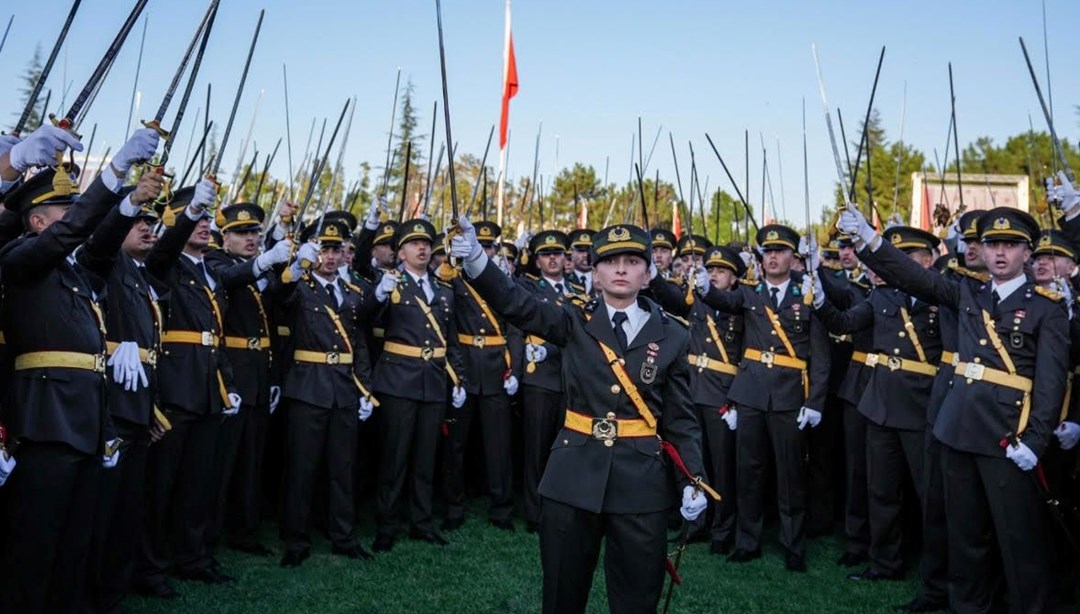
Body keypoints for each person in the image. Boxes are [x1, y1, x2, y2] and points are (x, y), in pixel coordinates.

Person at [451, 217, 711, 613]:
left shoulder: (672, 335)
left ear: (647, 274)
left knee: (637, 598)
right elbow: (515, 303)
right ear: (595, 273)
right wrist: (475, 260)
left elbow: (681, 419)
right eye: (610, 261)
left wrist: (695, 477)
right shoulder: (572, 320)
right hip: (572, 476)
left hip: (641, 481)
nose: (620, 268)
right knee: (562, 594)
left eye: (632, 260)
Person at [839, 204, 1069, 613]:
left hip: (1007, 435)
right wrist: (869, 240)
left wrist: (1034, 439)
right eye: (992, 244)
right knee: (964, 535)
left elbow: (1049, 383)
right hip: (958, 429)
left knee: (1018, 537)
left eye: (1011, 246)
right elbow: (913, 276)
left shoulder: (1047, 307)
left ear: (1027, 254)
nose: (1000, 253)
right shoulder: (967, 291)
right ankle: (968, 606)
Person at [0, 125, 157, 612]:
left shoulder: (73, 272)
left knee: (75, 544)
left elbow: (102, 243)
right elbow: (78, 229)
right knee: (36, 547)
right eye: (65, 214)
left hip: (86, 423)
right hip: (47, 421)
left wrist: (126, 201)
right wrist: (111, 175)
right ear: (39, 223)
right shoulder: (20, 258)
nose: (76, 222)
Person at [812, 226, 944, 586]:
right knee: (880, 490)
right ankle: (885, 562)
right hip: (881, 403)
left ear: (928, 261)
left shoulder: (941, 298)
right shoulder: (882, 297)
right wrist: (820, 301)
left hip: (923, 405)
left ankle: (937, 574)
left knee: (930, 494)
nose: (897, 266)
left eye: (908, 259)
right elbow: (844, 322)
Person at [695, 223, 830, 572]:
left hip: (788, 396)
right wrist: (704, 288)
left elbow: (820, 356)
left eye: (780, 251)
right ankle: (747, 541)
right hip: (751, 394)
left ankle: (793, 545)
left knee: (790, 476)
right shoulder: (750, 293)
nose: (773, 257)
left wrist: (815, 402)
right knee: (748, 473)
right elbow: (723, 299)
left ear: (792, 257)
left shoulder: (808, 294)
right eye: (767, 252)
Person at [136, 178, 242, 595]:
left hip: (207, 387)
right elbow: (163, 250)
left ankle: (193, 556)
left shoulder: (211, 270)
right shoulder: (162, 262)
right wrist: (190, 212)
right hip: (176, 389)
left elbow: (217, 335)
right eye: (190, 218)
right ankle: (151, 567)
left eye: (204, 219)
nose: (202, 226)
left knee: (199, 483)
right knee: (162, 486)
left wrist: (227, 383)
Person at [80, 168, 168, 612]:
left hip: (136, 406)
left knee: (126, 508)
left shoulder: (138, 274)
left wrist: (150, 409)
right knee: (103, 509)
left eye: (152, 223)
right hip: (109, 404)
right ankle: (95, 592)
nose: (148, 228)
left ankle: (114, 590)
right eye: (139, 222)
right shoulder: (107, 264)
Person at [278, 217, 378, 567]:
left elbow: (359, 344)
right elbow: (278, 295)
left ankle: (343, 536)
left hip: (343, 388)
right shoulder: (299, 286)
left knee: (342, 467)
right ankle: (296, 540)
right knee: (302, 469)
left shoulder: (353, 293)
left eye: (337, 249)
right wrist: (294, 264)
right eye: (325, 249)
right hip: (308, 385)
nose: (331, 257)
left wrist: (365, 388)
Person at [370, 219, 467, 552]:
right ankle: (387, 525)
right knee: (394, 459)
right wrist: (379, 294)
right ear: (400, 252)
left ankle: (421, 523)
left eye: (426, 243)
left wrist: (458, 377)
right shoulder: (390, 283)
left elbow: (450, 339)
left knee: (426, 459)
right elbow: (365, 319)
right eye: (414, 244)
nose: (423, 248)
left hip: (433, 381)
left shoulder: (443, 289)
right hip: (398, 380)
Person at [205, 202, 292, 557]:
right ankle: (209, 534)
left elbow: (277, 306)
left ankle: (245, 530)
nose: (251, 238)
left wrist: (293, 268)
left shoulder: (259, 270)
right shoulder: (216, 262)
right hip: (232, 372)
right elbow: (231, 278)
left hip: (258, 371)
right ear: (224, 238)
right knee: (222, 461)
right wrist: (265, 261)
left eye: (255, 232)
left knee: (251, 460)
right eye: (242, 233)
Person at [649, 244, 745, 555]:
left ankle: (723, 529)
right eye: (711, 269)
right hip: (694, 389)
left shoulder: (742, 306)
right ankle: (697, 523)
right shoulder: (697, 300)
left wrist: (737, 400)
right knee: (693, 464)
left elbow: (748, 357)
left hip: (722, 394)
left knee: (722, 467)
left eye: (722, 271)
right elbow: (672, 301)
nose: (714, 275)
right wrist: (653, 276)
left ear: (734, 278)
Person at [439, 220, 522, 531]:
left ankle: (501, 509)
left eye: (489, 247)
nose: (484, 251)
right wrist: (455, 373)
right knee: (456, 444)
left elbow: (514, 327)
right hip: (464, 366)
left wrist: (514, 369)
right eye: (480, 246)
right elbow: (446, 325)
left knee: (499, 446)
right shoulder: (454, 279)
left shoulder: (500, 281)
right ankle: (453, 507)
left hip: (496, 369)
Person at [516, 229, 575, 533]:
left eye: (558, 253)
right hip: (540, 376)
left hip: (571, 378)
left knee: (566, 450)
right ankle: (534, 512)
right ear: (536, 260)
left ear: (566, 258)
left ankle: (560, 507)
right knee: (536, 449)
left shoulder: (577, 288)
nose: (552, 258)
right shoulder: (528, 287)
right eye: (545, 254)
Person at [568, 228, 596, 295]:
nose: (585, 255)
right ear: (572, 253)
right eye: (581, 251)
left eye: (589, 251)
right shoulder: (563, 279)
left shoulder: (603, 280)